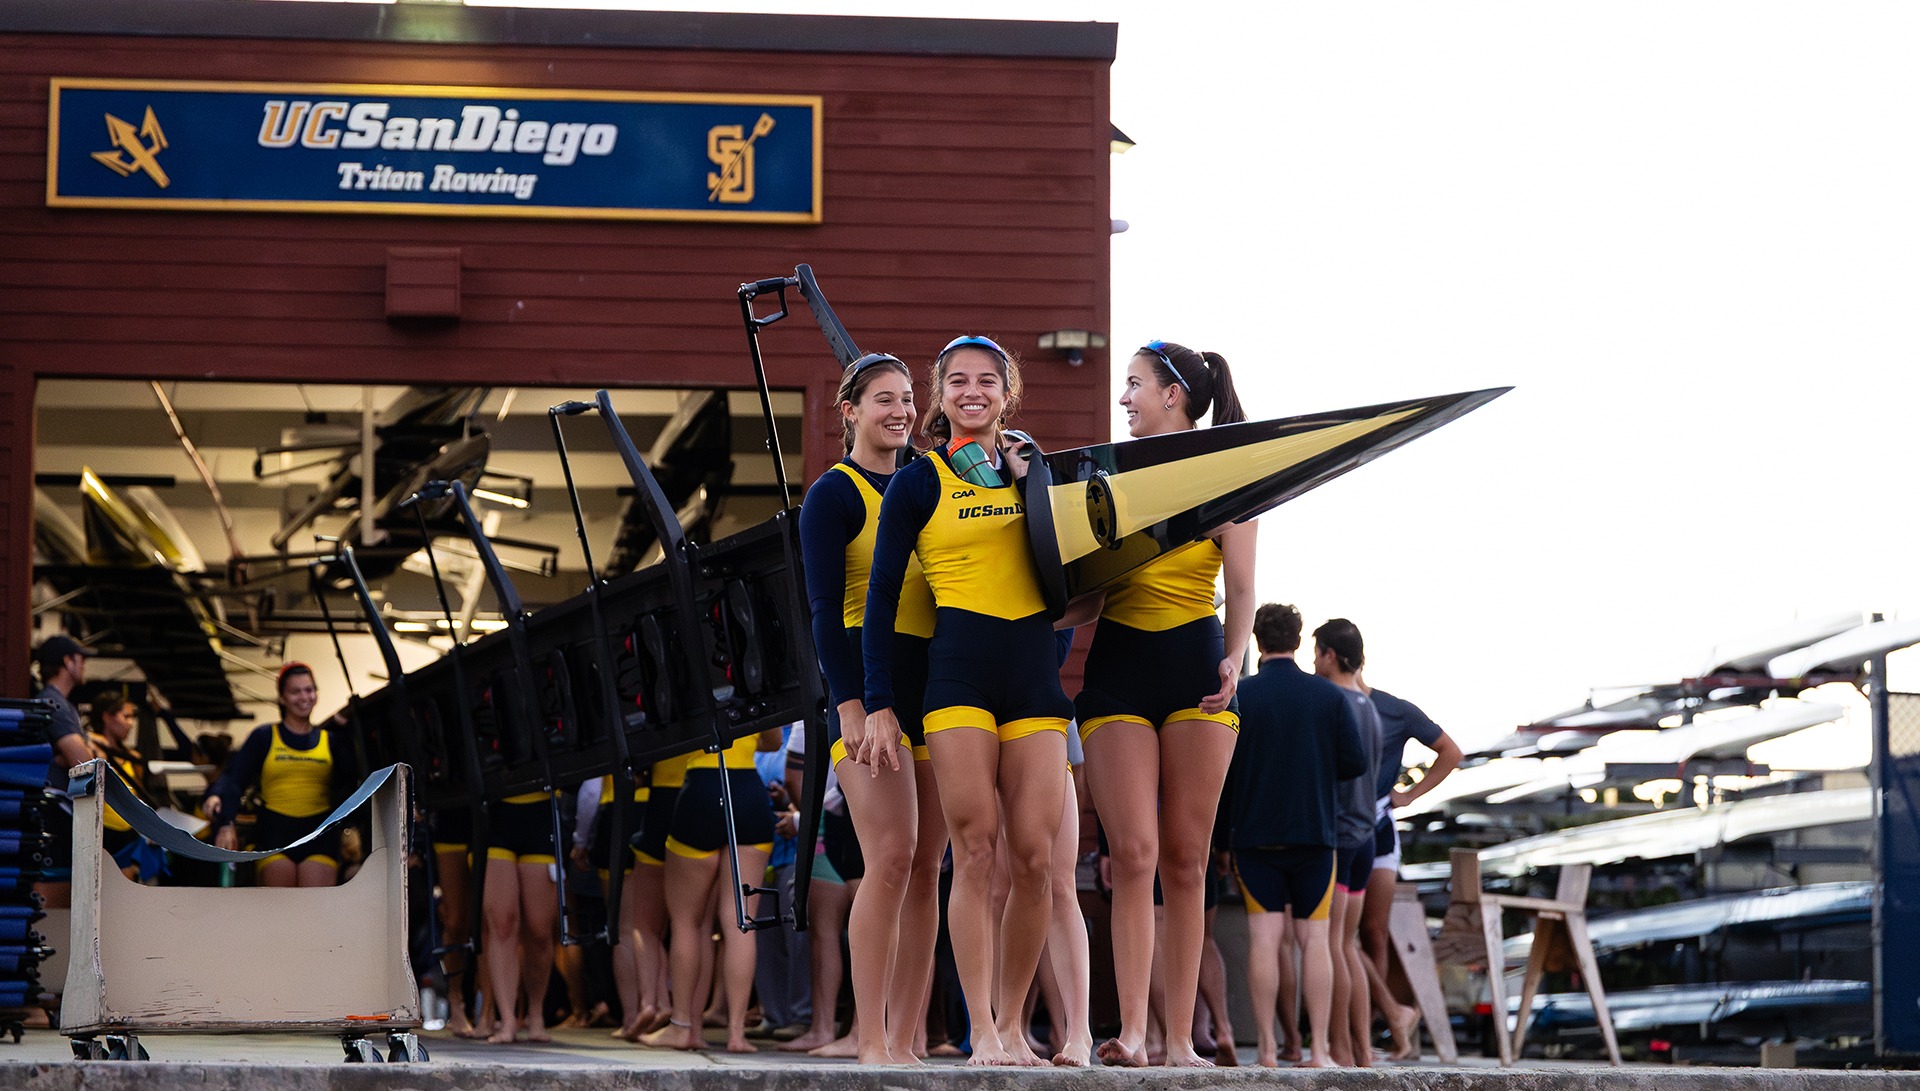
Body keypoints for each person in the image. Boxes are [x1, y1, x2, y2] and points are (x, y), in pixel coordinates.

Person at [861, 335, 1073, 1067]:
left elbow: (1072, 573)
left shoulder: (1034, 470)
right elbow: (882, 595)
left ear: (1007, 393)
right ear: (941, 394)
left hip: (1031, 678)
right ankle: (980, 1027)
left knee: (1037, 859)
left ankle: (1013, 1021)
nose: (971, 391)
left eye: (987, 380)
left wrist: (1029, 478)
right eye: (957, 380)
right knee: (975, 850)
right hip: (956, 679)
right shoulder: (919, 482)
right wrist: (880, 700)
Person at [1077, 339, 1253, 1068]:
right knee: (1134, 855)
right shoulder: (1109, 477)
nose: (1124, 399)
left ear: (1172, 394)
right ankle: (1134, 1032)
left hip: (1195, 669)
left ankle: (1181, 1039)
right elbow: (1084, 594)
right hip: (1117, 667)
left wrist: (1236, 656)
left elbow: (1241, 587)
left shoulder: (1226, 476)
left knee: (1187, 859)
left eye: (1134, 385)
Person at [799, 351, 949, 1065]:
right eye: (883, 399)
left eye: (907, 399)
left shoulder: (930, 483)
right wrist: (852, 703)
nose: (900, 410)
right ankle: (869, 1037)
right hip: (867, 688)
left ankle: (908, 1036)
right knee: (889, 856)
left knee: (927, 867)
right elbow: (825, 610)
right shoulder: (834, 493)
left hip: (938, 690)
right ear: (850, 411)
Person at [1224, 604, 1364, 1068]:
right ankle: (1319, 1050)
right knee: (1316, 942)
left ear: (1257, 642)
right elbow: (1355, 764)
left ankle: (1266, 1049)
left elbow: (1222, 771)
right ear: (1300, 640)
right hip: (1314, 835)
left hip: (1254, 835)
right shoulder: (1327, 698)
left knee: (1264, 940)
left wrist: (1222, 839)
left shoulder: (1241, 696)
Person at [642, 728, 783, 1054]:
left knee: (688, 923)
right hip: (748, 790)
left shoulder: (684, 678)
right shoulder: (753, 678)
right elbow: (774, 741)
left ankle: (683, 1027)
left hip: (702, 789)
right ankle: (736, 1033)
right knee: (741, 921)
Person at [1355, 675, 1464, 1059]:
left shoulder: (1394, 708)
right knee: (1340, 937)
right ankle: (1378, 1019)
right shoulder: (1331, 702)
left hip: (1381, 825)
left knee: (1374, 932)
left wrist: (1410, 796)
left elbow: (1450, 751)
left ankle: (1369, 1028)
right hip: (1341, 825)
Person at [205, 663, 354, 891]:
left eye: (309, 690)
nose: (304, 697)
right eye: (296, 691)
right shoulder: (264, 737)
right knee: (281, 913)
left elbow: (349, 780)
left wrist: (346, 728)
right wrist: (227, 823)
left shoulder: (331, 740)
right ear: (282, 698)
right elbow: (236, 780)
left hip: (319, 835)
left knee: (313, 913)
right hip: (274, 836)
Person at [1310, 619, 1383, 1067]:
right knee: (1347, 945)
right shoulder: (1369, 704)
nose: (1313, 662)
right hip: (1367, 836)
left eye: (1316, 653)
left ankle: (1339, 1045)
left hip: (1339, 835)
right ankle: (1361, 1050)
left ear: (1330, 656)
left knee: (1333, 945)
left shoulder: (1336, 702)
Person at [32, 635, 96, 910]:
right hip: (53, 811)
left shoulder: (58, 704)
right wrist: (80, 753)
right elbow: (84, 762)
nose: (84, 666)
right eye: (80, 659)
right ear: (67, 662)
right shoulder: (54, 703)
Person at [88, 694, 162, 882]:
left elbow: (140, 797)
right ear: (107, 717)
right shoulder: (91, 751)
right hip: (101, 833)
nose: (131, 723)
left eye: (133, 717)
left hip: (128, 834)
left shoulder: (133, 757)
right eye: (126, 716)